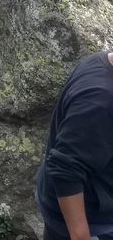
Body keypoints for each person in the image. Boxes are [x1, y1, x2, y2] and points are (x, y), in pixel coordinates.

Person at [36, 50, 113, 240]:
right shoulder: (99, 101)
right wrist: (81, 236)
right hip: (90, 219)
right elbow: (66, 169)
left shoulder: (102, 61)